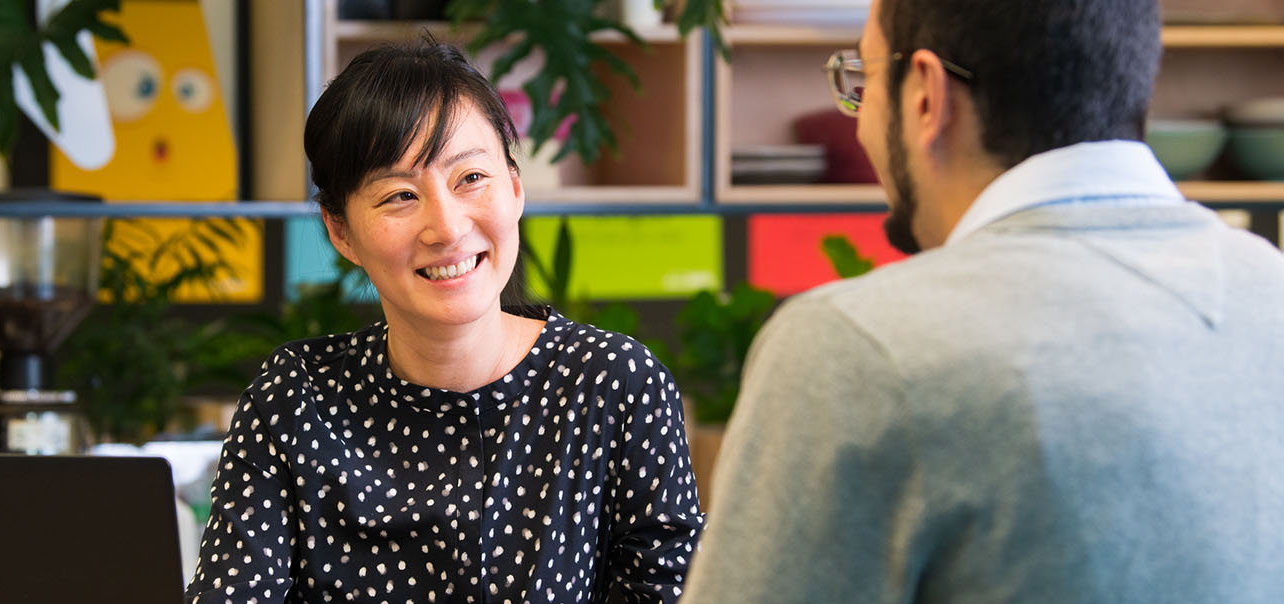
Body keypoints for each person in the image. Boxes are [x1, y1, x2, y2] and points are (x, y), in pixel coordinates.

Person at [681, 0, 1284, 602]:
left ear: (925, 95)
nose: (861, 124)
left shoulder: (859, 346)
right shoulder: (1271, 290)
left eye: (863, 82)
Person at [185, 42, 702, 603]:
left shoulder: (613, 384)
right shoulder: (296, 400)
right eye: (400, 195)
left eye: (471, 178)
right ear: (340, 231)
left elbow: (673, 592)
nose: (447, 227)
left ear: (516, 185)